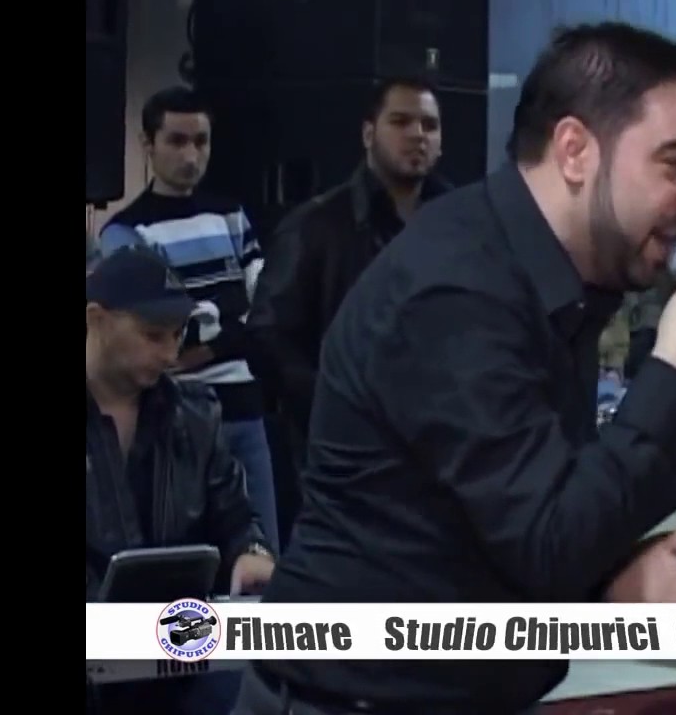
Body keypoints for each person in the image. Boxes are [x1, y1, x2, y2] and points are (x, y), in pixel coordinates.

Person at [234, 22, 676, 715]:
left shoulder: (555, 284)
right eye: (674, 164)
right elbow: (547, 536)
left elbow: (508, 513)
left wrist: (605, 579)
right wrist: (675, 368)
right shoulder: (456, 290)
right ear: (575, 150)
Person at [85, 247, 275, 715]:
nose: (170, 354)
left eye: (176, 335)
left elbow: (234, 516)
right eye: (153, 336)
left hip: (178, 664)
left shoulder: (194, 415)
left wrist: (251, 552)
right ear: (97, 320)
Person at [98, 86, 280, 552]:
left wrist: (211, 335)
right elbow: (155, 319)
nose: (191, 155)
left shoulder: (231, 215)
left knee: (262, 554)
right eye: (177, 141)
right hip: (174, 412)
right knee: (180, 556)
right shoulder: (126, 230)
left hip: (242, 404)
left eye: (201, 141)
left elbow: (262, 306)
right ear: (149, 143)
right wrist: (221, 312)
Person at [246, 76, 452, 470]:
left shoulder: (461, 223)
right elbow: (268, 336)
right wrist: (330, 407)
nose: (417, 135)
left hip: (441, 447)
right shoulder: (315, 225)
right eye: (401, 122)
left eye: (429, 125)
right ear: (369, 134)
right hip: (347, 454)